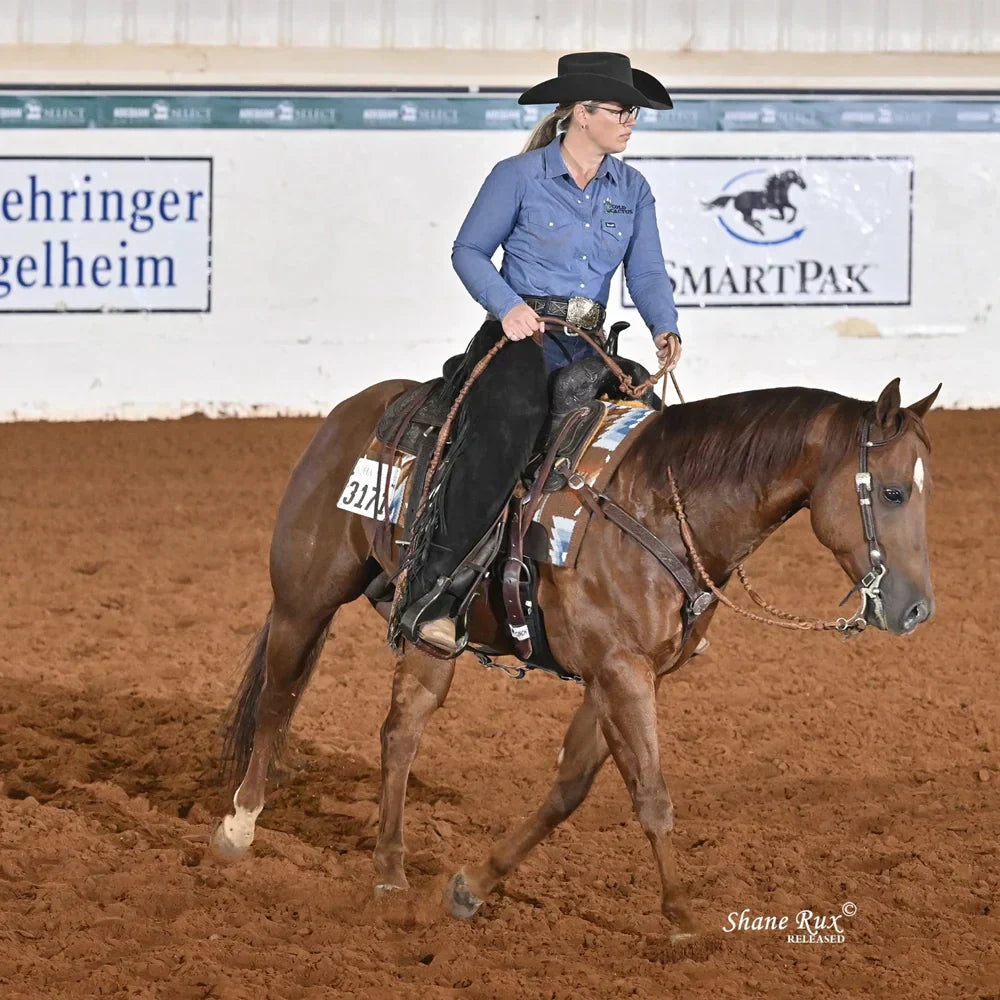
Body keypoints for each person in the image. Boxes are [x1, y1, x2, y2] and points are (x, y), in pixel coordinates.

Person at [402, 51, 682, 654]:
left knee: (654, 435)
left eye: (634, 111)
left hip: (589, 344)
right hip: (518, 336)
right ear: (581, 114)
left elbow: (648, 270)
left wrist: (665, 325)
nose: (631, 121)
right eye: (620, 110)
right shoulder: (518, 175)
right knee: (506, 429)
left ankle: (658, 592)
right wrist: (507, 306)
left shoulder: (632, 189)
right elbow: (469, 250)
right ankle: (436, 592)